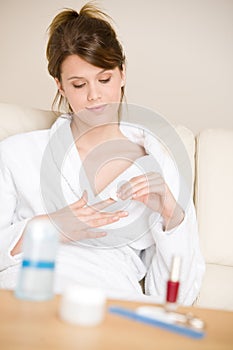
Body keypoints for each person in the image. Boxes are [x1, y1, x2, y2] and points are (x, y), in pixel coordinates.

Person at [0, 2, 205, 304]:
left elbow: (178, 297)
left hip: (110, 301)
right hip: (25, 293)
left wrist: (171, 214)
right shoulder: (17, 153)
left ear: (122, 74)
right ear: (60, 86)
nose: (94, 95)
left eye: (105, 79)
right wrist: (49, 226)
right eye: (79, 84)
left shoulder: (160, 167)